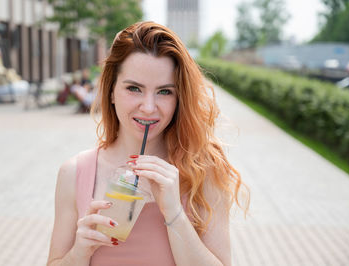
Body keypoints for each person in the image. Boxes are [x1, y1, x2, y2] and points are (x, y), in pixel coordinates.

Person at [47, 21, 248, 266]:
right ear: (110, 91)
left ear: (178, 98)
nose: (149, 107)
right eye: (134, 88)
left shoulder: (204, 171)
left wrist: (174, 214)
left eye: (164, 92)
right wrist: (79, 252)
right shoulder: (75, 173)